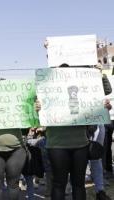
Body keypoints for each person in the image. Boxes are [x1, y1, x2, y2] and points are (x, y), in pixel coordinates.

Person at [35, 63, 112, 200]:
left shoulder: (82, 90)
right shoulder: (47, 90)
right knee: (59, 184)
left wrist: (103, 106)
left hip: (80, 143)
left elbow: (101, 94)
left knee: (78, 184)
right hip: (57, 145)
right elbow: (35, 117)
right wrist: (37, 108)